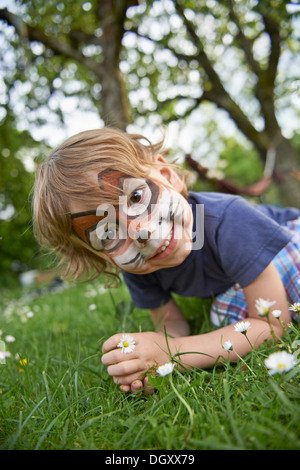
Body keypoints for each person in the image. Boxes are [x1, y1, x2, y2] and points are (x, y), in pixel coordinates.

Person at [33, 128, 300, 393]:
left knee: (234, 313)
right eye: (108, 235)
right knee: (228, 315)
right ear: (98, 256)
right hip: (241, 280)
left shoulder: (228, 220)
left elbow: (274, 326)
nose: (140, 233)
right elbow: (172, 324)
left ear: (167, 175)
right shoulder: (139, 268)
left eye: (136, 198)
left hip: (291, 239)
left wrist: (175, 353)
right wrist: (151, 360)